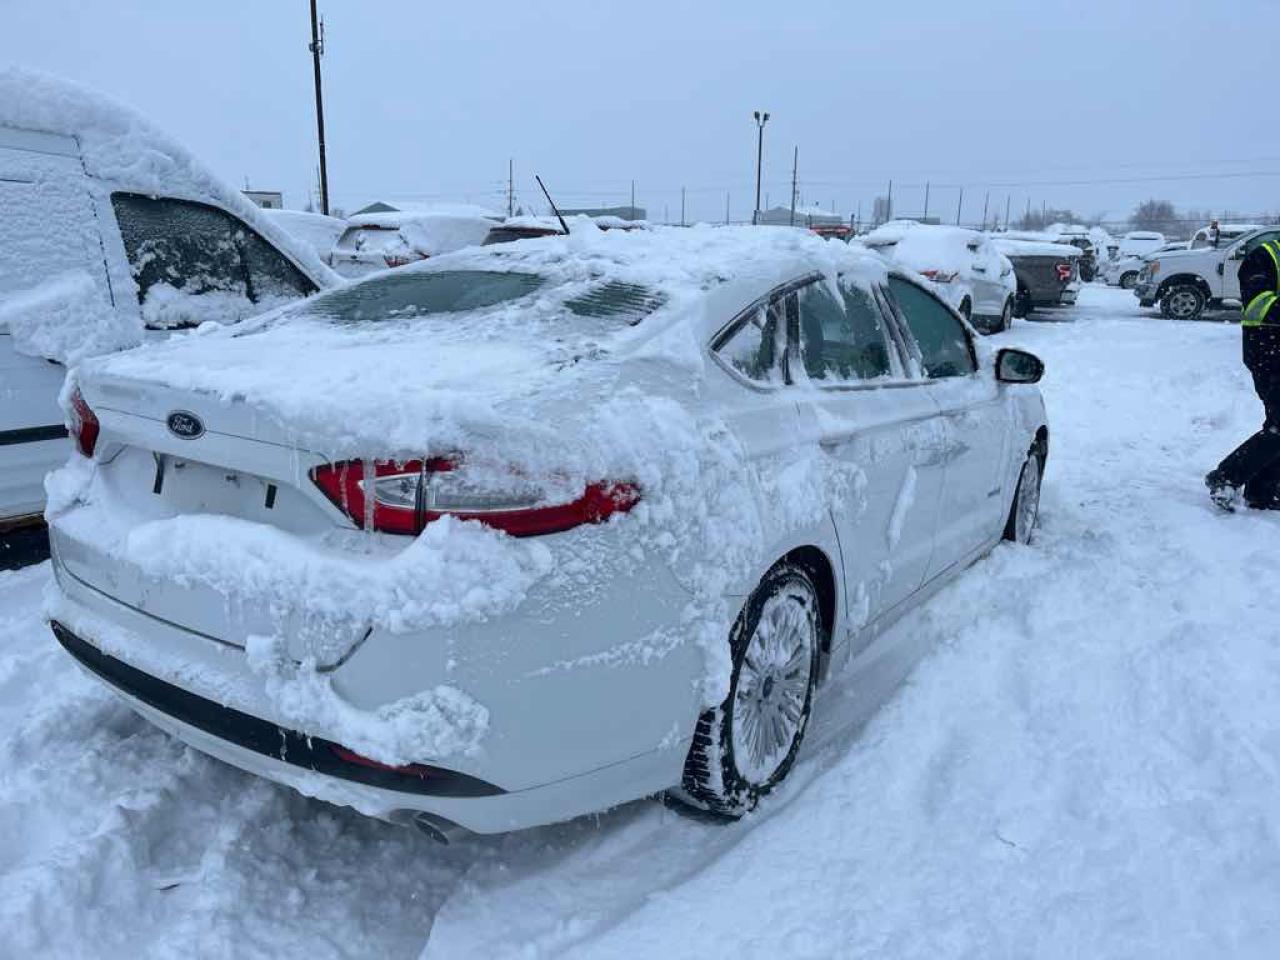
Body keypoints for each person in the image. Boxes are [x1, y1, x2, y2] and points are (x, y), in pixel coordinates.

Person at [1206, 235, 1280, 510]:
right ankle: (1225, 477)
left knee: (1276, 422)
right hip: (1268, 350)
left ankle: (1263, 491)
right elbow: (1259, 304)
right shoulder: (1263, 257)